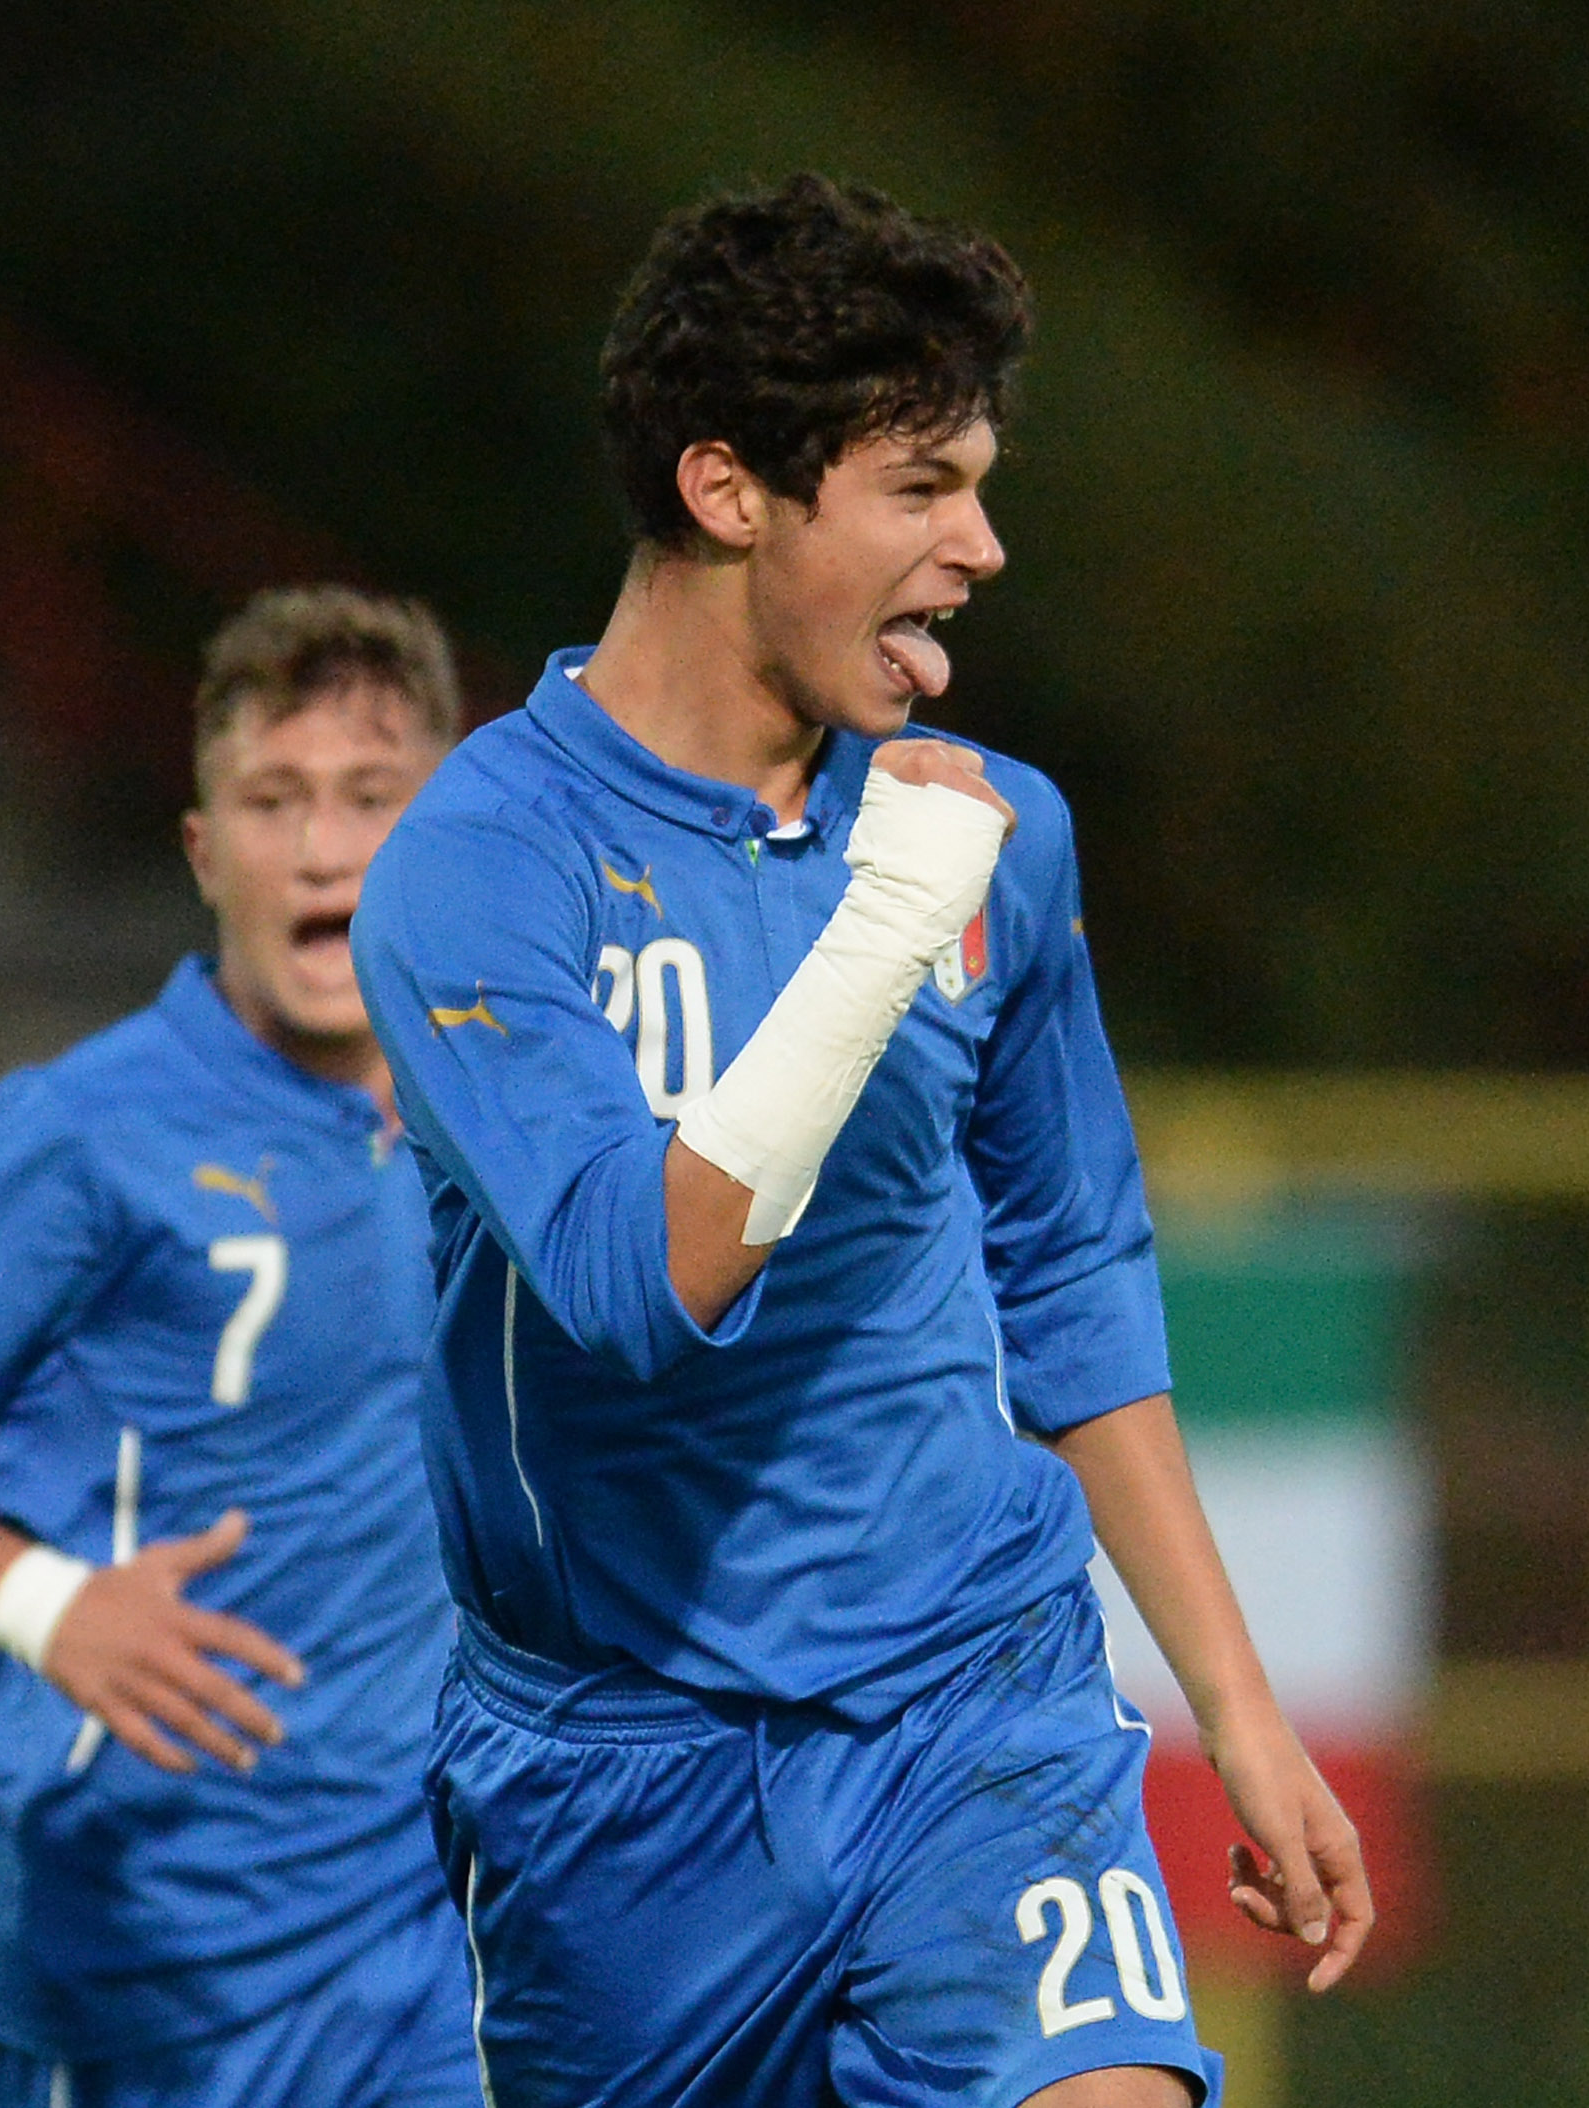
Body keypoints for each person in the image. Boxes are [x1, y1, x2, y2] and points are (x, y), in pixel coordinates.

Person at [352, 175, 1373, 2108]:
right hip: (615, 1777)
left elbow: (1072, 1275)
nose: (984, 546)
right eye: (923, 486)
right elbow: (633, 1286)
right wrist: (882, 932)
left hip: (972, 1702)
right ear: (731, 489)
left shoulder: (997, 840)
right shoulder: (482, 869)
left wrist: (1237, 1713)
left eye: (981, 484)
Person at [0, 587, 480, 2108]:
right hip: (147, 1949)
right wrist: (49, 1604)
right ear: (208, 853)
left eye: (367, 798)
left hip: (427, 1941)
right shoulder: (86, 1134)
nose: (323, 848)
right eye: (274, 802)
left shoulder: (505, 1126)